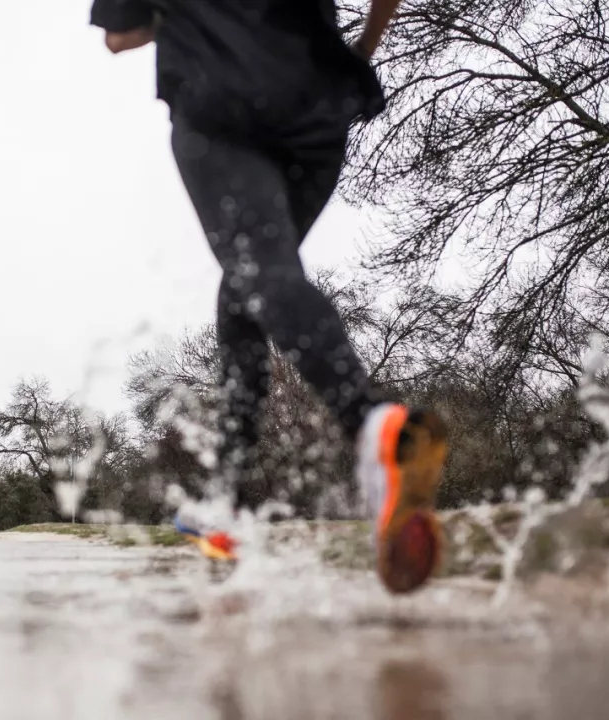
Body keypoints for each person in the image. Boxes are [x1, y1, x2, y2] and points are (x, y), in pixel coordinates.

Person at [90, 0, 448, 595]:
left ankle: (374, 425)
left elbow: (120, 36)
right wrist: (362, 48)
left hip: (222, 96)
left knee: (261, 272)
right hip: (318, 108)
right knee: (245, 296)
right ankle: (225, 504)